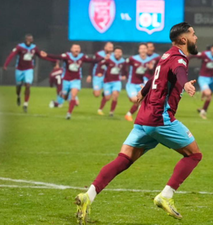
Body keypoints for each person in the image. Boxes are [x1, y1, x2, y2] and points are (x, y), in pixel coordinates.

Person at [75, 22, 202, 225]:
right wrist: (185, 83)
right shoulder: (179, 59)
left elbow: (155, 77)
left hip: (143, 119)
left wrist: (142, 93)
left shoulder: (165, 56)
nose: (196, 38)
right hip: (161, 119)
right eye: (193, 35)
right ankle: (166, 195)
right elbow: (179, 73)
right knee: (194, 155)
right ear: (184, 39)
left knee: (123, 159)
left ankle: (87, 196)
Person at [41, 44, 100, 119]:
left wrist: (104, 58)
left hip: (76, 80)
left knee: (73, 96)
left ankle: (69, 114)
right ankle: (63, 95)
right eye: (75, 48)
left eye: (78, 48)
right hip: (66, 80)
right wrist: (47, 55)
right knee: (64, 96)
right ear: (71, 49)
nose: (77, 49)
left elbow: (93, 60)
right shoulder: (67, 56)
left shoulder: (82, 57)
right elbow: (57, 57)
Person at [3, 34, 52, 112]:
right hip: (19, 69)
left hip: (29, 69)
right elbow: (11, 55)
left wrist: (51, 59)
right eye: (28, 39)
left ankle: (25, 104)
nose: (29, 41)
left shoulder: (34, 48)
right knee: (18, 86)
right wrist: (5, 65)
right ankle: (18, 96)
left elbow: (40, 56)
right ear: (25, 40)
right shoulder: (19, 47)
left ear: (32, 40)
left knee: (28, 85)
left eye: (31, 39)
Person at [189, 44, 213, 119]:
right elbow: (193, 55)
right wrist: (185, 61)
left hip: (212, 78)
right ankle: (203, 92)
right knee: (208, 93)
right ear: (210, 49)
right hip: (203, 77)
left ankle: (203, 111)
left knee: (209, 97)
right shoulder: (205, 54)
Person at [124, 43, 152, 122]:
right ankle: (136, 115)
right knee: (136, 100)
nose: (143, 50)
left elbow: (151, 73)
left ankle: (129, 115)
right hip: (132, 83)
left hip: (141, 84)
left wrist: (150, 69)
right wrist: (125, 75)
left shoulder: (149, 61)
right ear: (139, 50)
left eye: (144, 48)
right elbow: (124, 65)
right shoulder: (133, 59)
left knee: (141, 100)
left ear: (147, 50)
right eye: (141, 49)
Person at [97, 47, 126, 116]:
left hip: (117, 81)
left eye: (119, 52)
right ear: (114, 52)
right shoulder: (109, 59)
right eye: (116, 52)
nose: (118, 53)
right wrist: (100, 72)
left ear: (121, 53)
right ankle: (100, 109)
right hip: (107, 81)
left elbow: (125, 70)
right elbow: (101, 64)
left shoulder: (123, 61)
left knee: (115, 95)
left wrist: (124, 75)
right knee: (107, 97)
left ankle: (111, 112)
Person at [86, 42, 114, 114]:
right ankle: (97, 91)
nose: (110, 49)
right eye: (109, 47)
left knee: (107, 96)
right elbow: (93, 63)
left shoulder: (114, 56)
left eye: (111, 47)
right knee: (96, 94)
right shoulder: (98, 54)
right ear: (105, 47)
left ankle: (100, 109)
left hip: (108, 77)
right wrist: (89, 75)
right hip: (98, 76)